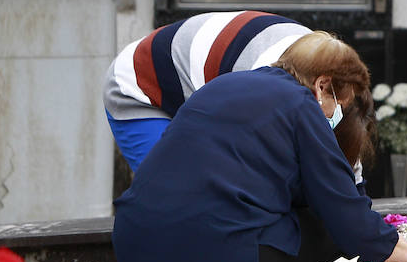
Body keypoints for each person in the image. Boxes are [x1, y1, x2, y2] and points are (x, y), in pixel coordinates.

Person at [112, 31, 407, 262]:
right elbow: (347, 219)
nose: (336, 116)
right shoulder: (301, 105)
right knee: (326, 230)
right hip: (214, 257)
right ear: (322, 85)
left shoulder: (221, 86)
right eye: (341, 104)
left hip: (134, 246)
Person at [104, 10, 311, 172]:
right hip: (136, 86)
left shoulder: (322, 61)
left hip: (201, 76)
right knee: (173, 194)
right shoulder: (259, 91)